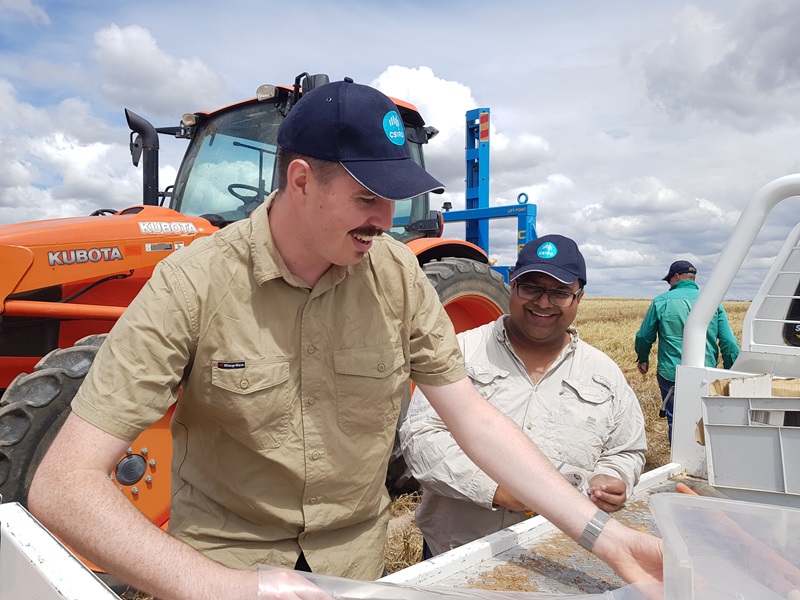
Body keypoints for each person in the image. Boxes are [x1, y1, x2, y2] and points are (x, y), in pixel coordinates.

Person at [28, 79, 662, 600]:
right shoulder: (191, 285)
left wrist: (604, 536)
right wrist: (222, 587)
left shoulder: (400, 277)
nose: (384, 223)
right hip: (224, 562)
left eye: (395, 200)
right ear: (300, 181)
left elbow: (476, 421)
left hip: (352, 570)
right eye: (367, 198)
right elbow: (61, 484)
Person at [400, 235, 648, 557]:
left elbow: (626, 449)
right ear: (512, 286)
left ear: (579, 297)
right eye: (531, 287)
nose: (543, 302)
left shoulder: (604, 374)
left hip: (557, 552)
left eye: (559, 292)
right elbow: (420, 437)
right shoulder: (460, 352)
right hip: (457, 553)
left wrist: (613, 478)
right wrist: (499, 490)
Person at [635, 260, 740, 442]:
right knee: (705, 417)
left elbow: (644, 336)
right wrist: (731, 372)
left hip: (671, 373)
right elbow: (729, 342)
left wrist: (643, 358)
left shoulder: (661, 301)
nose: (669, 285)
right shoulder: (711, 301)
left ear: (676, 277)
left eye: (669, 281)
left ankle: (679, 462)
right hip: (705, 372)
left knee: (675, 418)